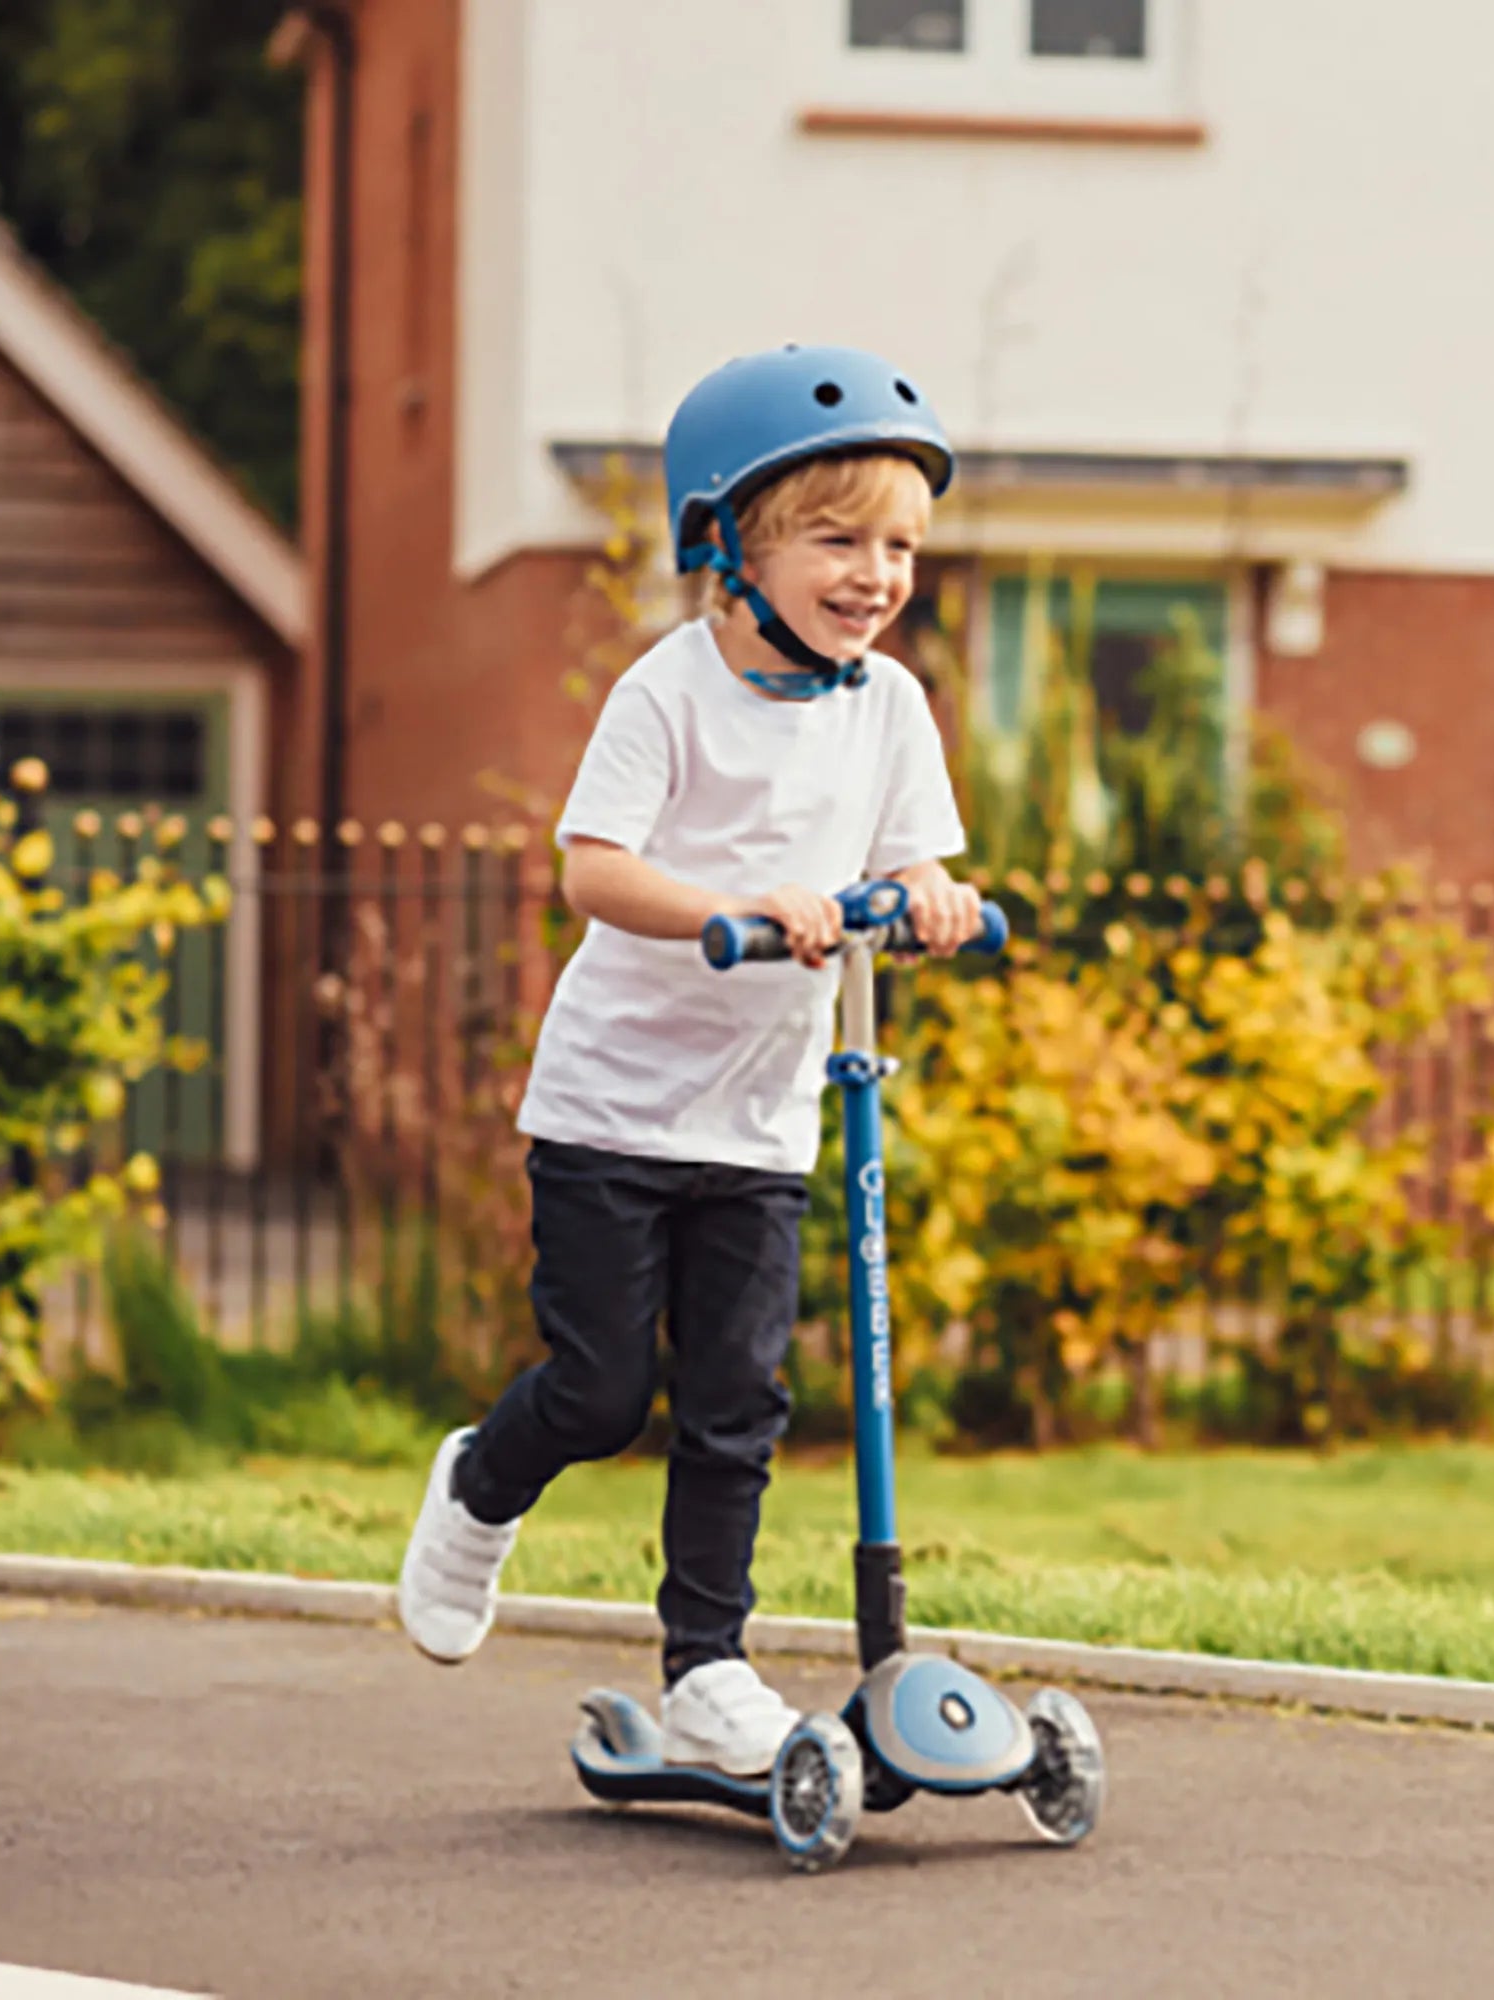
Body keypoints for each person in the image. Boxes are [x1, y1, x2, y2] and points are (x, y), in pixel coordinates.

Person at [397, 344, 982, 1777]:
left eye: (898, 544)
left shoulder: (887, 706)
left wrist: (933, 899)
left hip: (766, 1123)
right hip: (613, 1112)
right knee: (601, 1396)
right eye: (837, 539)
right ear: (730, 542)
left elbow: (908, 857)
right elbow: (594, 871)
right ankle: (479, 1486)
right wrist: (729, 910)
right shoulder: (669, 692)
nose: (875, 573)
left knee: (739, 1404)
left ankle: (712, 1665)